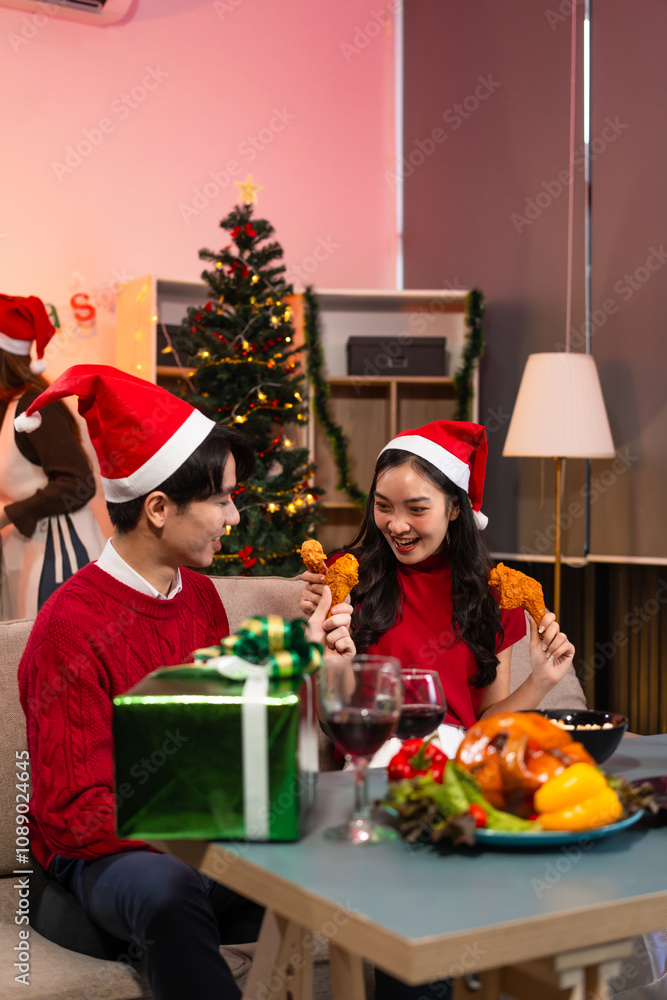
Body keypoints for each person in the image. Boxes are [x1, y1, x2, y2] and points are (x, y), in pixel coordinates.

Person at [17, 364, 353, 1000]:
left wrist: (305, 667)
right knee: (170, 891)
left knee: (319, 864)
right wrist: (210, 835)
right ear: (159, 508)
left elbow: (224, 734)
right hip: (105, 851)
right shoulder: (69, 626)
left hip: (197, 829)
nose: (234, 515)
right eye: (222, 498)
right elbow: (74, 812)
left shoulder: (198, 595)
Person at [300, 419, 576, 755]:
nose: (397, 525)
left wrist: (541, 681)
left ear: (455, 507)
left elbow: (487, 727)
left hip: (460, 757)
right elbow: (336, 720)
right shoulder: (348, 577)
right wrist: (326, 656)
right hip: (375, 752)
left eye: (417, 509)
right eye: (383, 506)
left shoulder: (496, 594)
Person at [0, 294, 106, 619]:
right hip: (30, 550)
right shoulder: (8, 406)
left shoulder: (35, 405)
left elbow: (79, 483)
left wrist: (6, 514)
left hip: (60, 557)